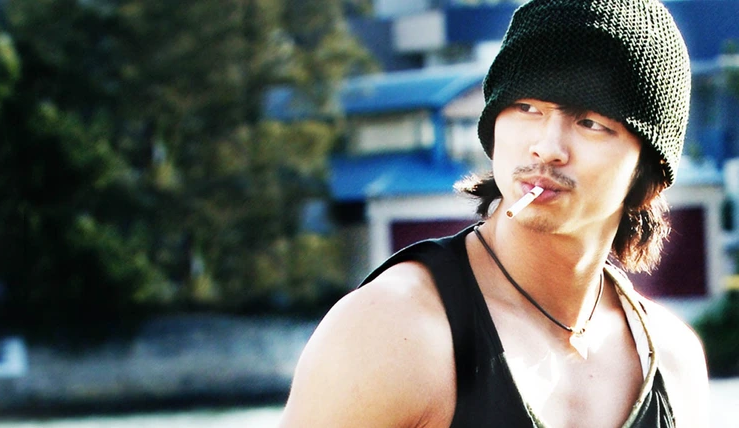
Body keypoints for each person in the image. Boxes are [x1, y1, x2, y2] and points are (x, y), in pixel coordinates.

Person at [279, 0, 710, 426]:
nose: (547, 148)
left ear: (648, 171)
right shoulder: (392, 330)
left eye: (591, 123)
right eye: (527, 108)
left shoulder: (674, 361)